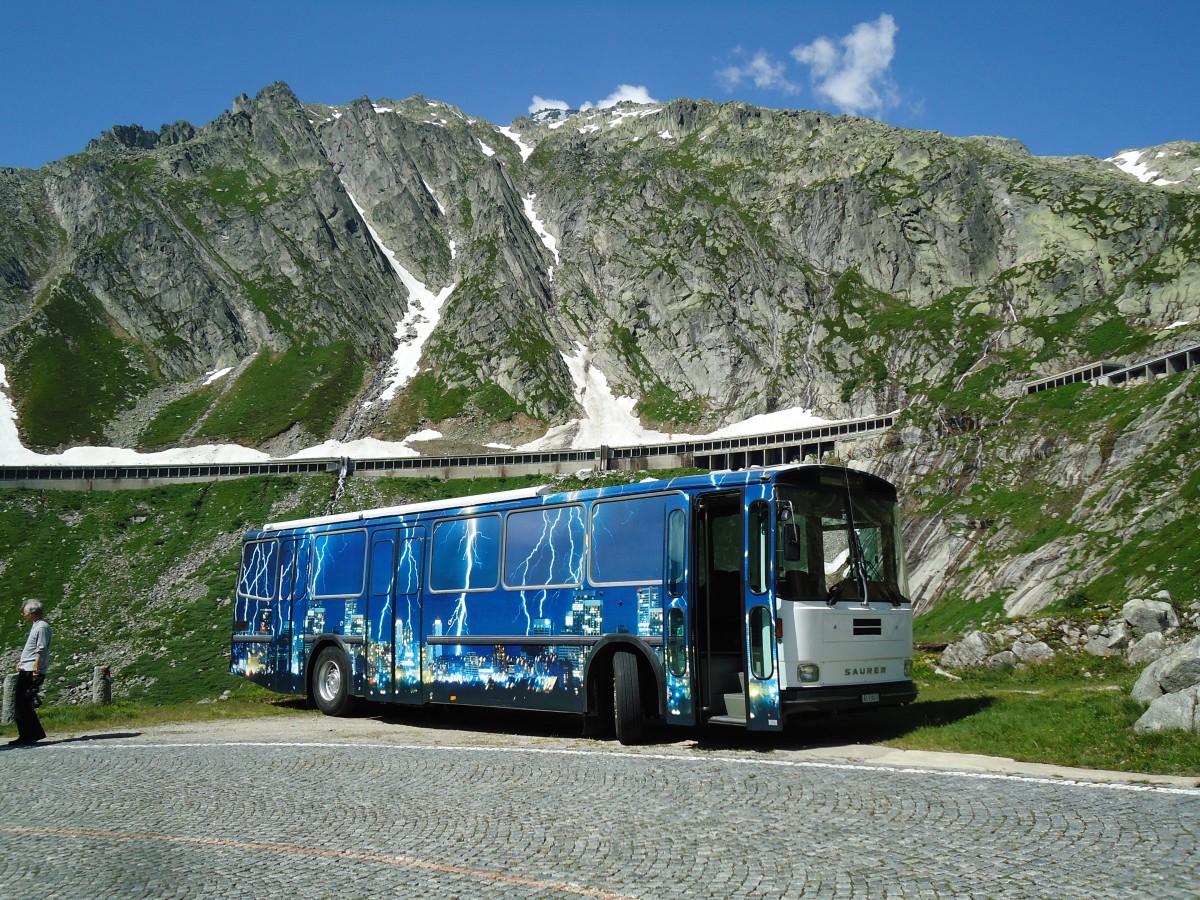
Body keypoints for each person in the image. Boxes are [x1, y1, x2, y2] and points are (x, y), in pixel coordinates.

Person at [12, 599, 51, 745]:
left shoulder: (41, 628)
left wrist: (35, 670)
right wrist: (22, 663)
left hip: (31, 670)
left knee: (22, 703)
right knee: (22, 703)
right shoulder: (37, 626)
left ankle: (30, 734)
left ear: (32, 613)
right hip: (26, 668)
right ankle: (31, 733)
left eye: (26, 613)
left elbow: (40, 649)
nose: (24, 615)